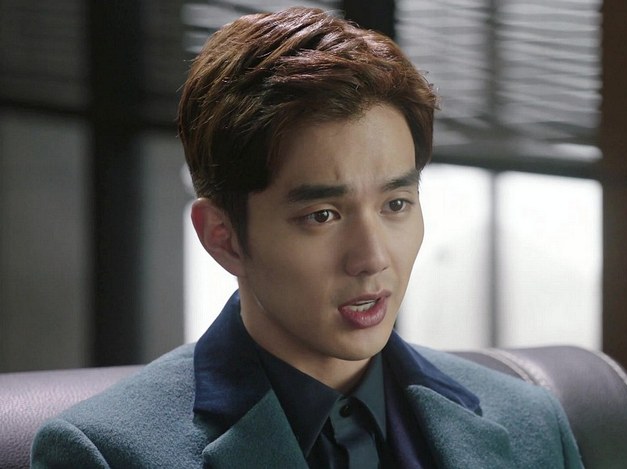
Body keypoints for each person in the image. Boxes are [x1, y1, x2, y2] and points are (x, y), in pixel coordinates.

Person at [31, 7, 583, 468]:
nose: (372, 259)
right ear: (223, 238)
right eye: (322, 215)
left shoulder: (530, 423)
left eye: (395, 205)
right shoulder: (106, 454)